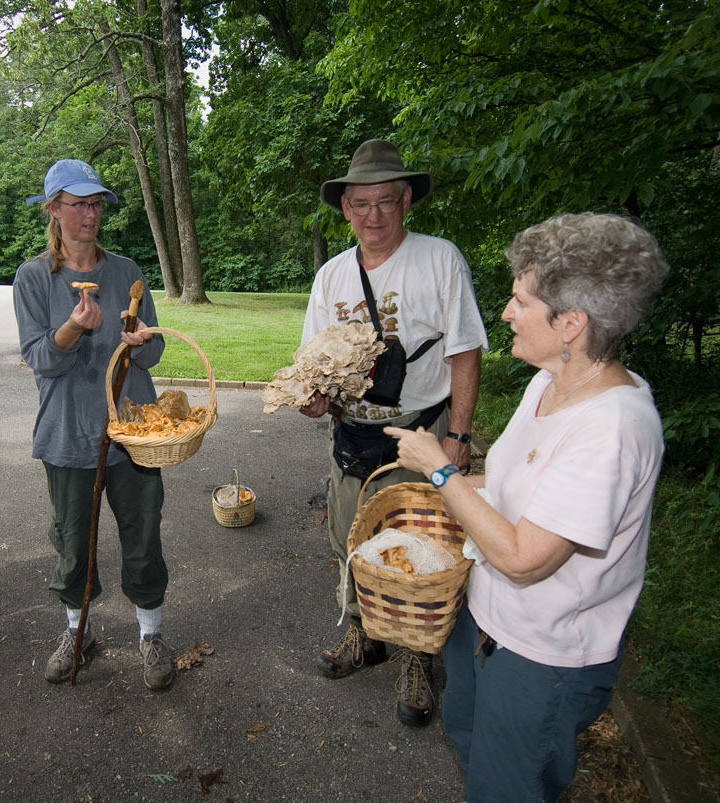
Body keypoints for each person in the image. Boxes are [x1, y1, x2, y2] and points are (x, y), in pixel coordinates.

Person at [386, 212, 669, 801]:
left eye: (519, 301)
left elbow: (523, 559)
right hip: (485, 625)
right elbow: (516, 485)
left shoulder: (610, 428)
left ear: (570, 323)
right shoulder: (550, 380)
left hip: (542, 658)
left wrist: (440, 468)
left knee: (508, 787)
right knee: (465, 735)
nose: (506, 312)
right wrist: (450, 489)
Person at [300, 139, 489, 727]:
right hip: (351, 438)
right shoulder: (332, 276)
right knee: (352, 541)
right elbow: (313, 364)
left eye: (385, 201)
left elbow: (465, 350)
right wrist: (314, 399)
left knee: (420, 548)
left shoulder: (439, 259)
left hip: (420, 433)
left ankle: (413, 658)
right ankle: (363, 634)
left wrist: (456, 437)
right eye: (361, 203)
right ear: (346, 208)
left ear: (406, 200)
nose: (373, 215)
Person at [13, 158, 176, 691]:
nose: (89, 214)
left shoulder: (127, 272)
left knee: (142, 532)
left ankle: (150, 635)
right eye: (78, 204)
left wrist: (144, 340)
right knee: (73, 542)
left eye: (96, 203)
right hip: (67, 431)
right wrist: (72, 330)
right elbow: (39, 357)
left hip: (132, 431)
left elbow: (153, 356)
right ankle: (77, 629)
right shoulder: (34, 277)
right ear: (53, 209)